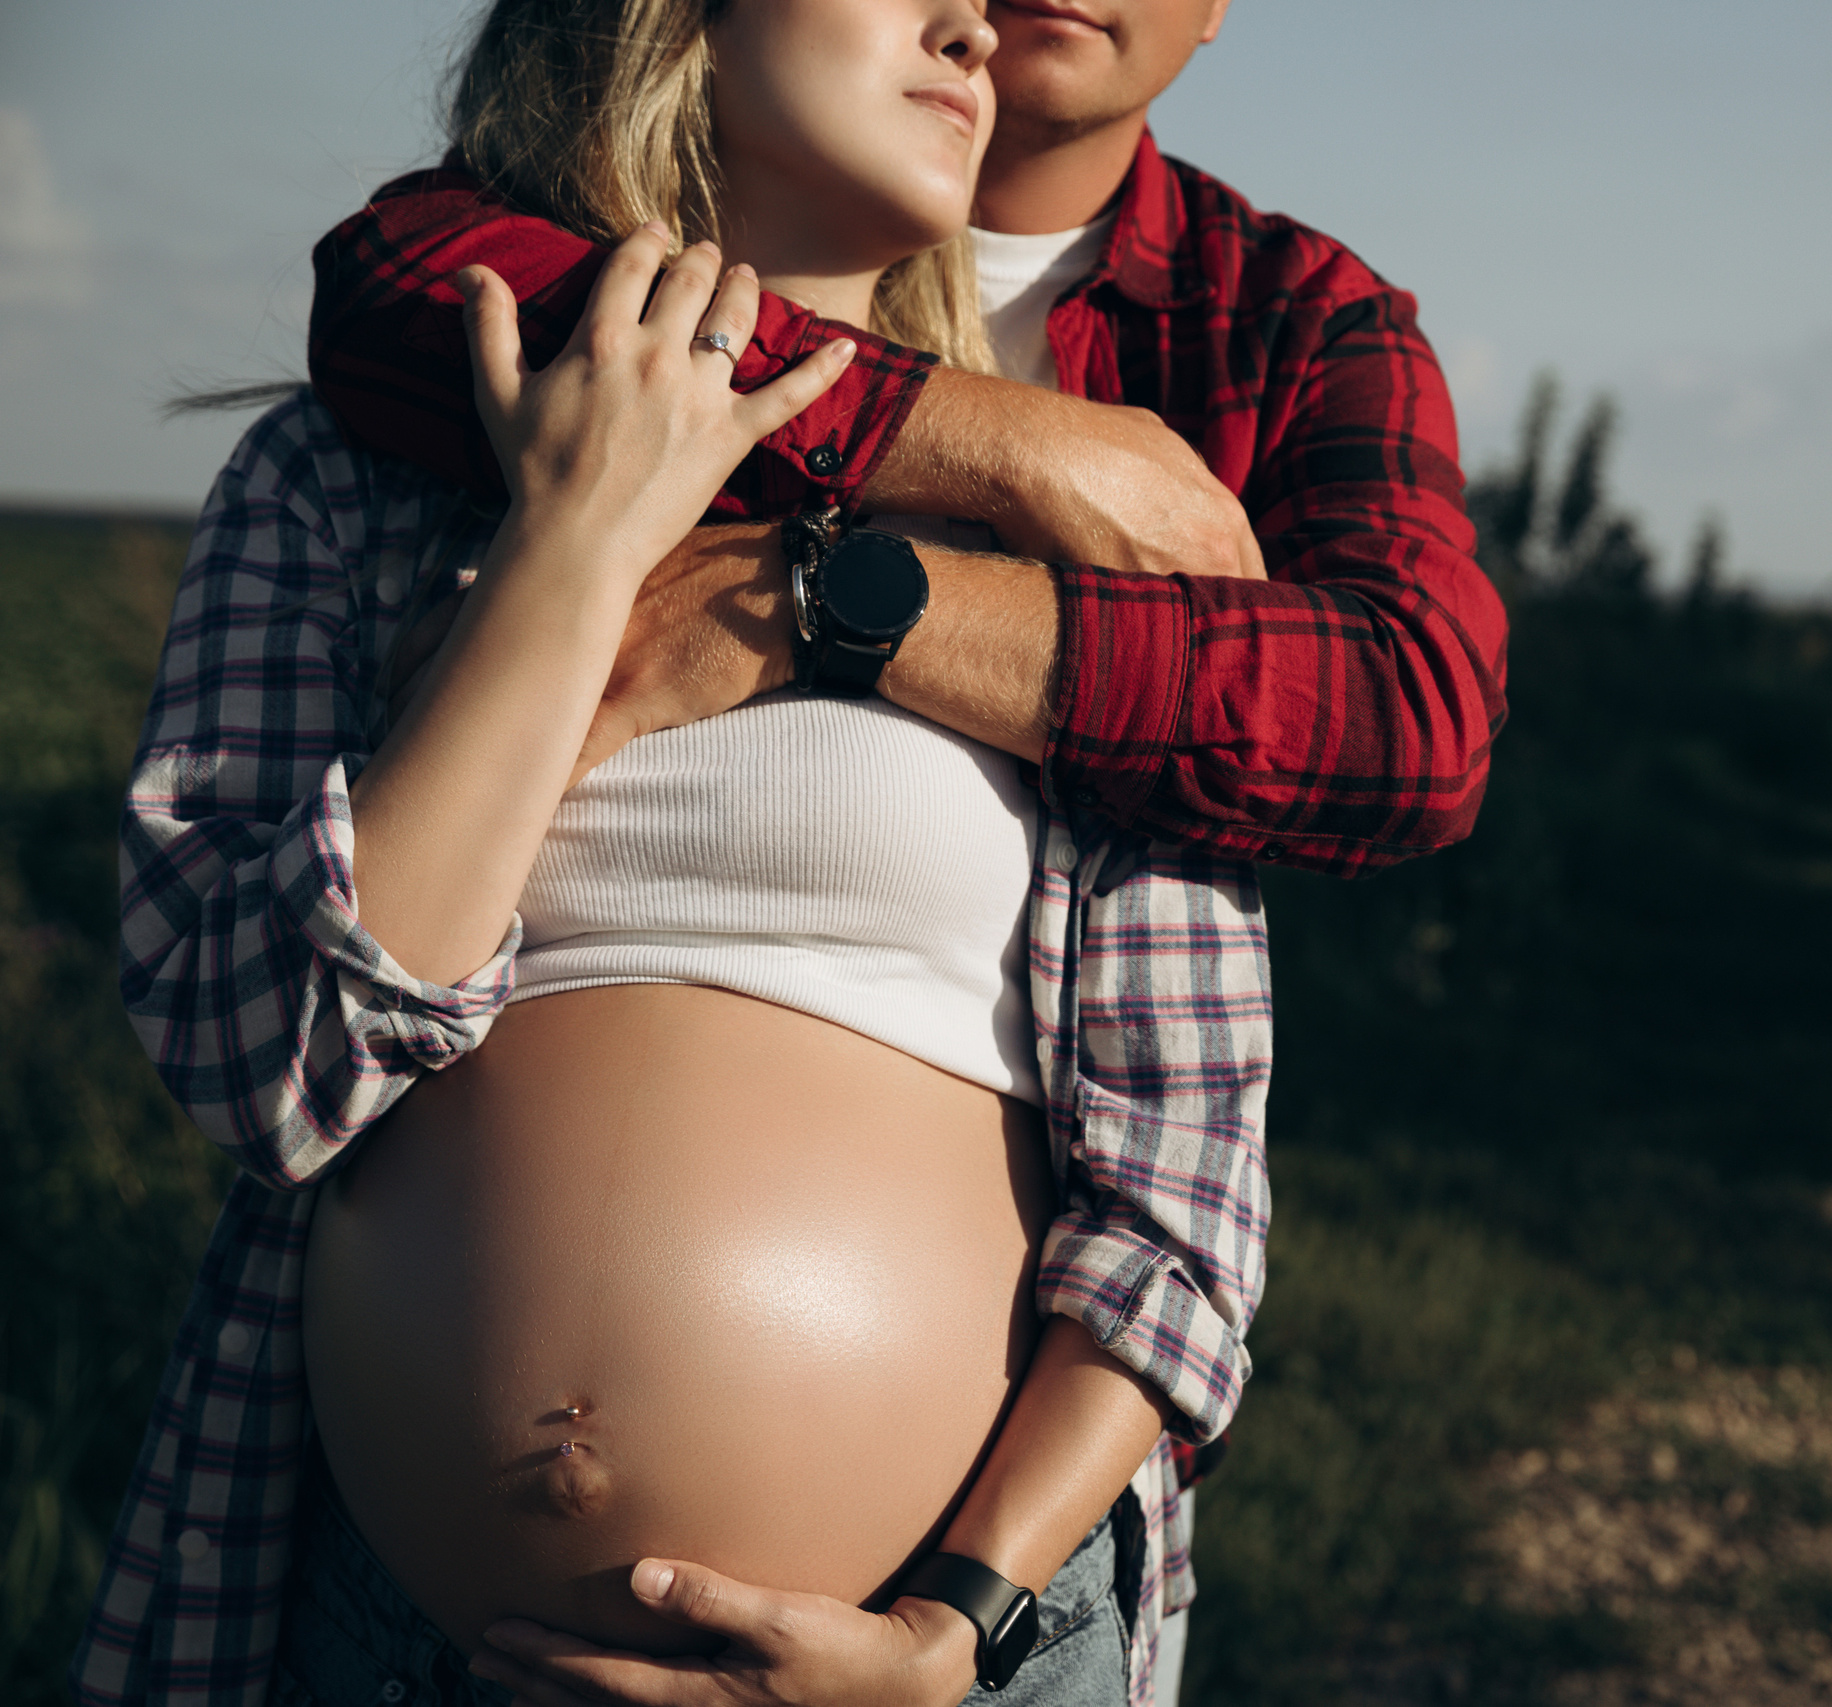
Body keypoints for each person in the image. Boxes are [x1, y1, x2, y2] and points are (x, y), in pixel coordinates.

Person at [74, 4, 1278, 1706]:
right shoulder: (346, 484)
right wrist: (575, 552)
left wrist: (947, 1633)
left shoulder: (1074, 558)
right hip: (394, 1635)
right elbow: (252, 1067)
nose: (970, 24)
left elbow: (1181, 1202)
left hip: (930, 1661)